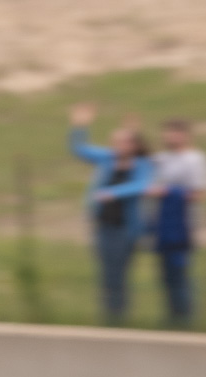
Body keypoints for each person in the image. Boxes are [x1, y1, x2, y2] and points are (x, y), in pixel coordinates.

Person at [69, 104, 155, 326]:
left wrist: (113, 192)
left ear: (134, 145)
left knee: (120, 273)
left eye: (123, 142)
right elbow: (79, 149)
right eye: (115, 142)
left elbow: (141, 185)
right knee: (106, 273)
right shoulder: (108, 159)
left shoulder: (142, 165)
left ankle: (120, 316)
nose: (117, 146)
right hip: (104, 226)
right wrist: (80, 125)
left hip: (126, 228)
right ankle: (109, 317)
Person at [151, 119, 206, 328]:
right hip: (162, 225)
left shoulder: (195, 159)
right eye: (168, 133)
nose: (170, 137)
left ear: (186, 135)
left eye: (175, 133)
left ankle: (185, 319)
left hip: (184, 227)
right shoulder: (162, 158)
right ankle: (172, 318)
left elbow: (199, 193)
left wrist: (169, 192)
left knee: (180, 274)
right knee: (165, 275)